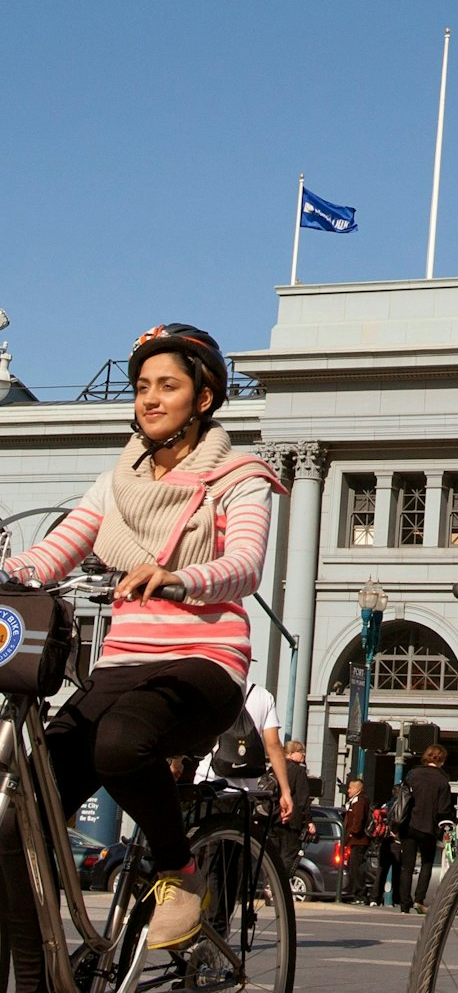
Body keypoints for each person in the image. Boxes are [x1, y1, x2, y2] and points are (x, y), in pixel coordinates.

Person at [0, 323, 285, 986]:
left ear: (204, 397)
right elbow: (52, 554)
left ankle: (177, 869)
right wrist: (14, 574)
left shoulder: (237, 476)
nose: (150, 399)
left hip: (202, 664)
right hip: (121, 669)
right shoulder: (114, 485)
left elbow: (244, 564)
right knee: (17, 824)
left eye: (168, 385)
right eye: (142, 387)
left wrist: (182, 577)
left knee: (119, 745)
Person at [195, 682, 293, 822]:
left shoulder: (213, 688)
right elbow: (273, 745)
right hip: (244, 793)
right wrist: (285, 791)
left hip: (209, 783)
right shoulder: (264, 696)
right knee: (239, 839)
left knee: (202, 838)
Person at [400, 743, 456, 913]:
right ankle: (419, 899)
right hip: (428, 828)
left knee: (407, 866)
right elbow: (443, 809)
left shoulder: (413, 774)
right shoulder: (442, 780)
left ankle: (404, 903)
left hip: (409, 825)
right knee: (427, 863)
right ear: (442, 760)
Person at [276, 739, 314, 875]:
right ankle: (280, 886)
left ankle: (269, 884)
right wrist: (308, 821)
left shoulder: (274, 768)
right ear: (291, 753)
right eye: (300, 751)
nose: (303, 754)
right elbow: (303, 799)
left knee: (274, 855)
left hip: (274, 818)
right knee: (290, 855)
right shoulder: (298, 771)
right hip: (292, 820)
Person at [342, 776, 372, 904]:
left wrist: (351, 833)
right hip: (356, 840)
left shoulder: (359, 801)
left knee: (356, 867)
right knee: (353, 866)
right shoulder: (355, 801)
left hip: (358, 840)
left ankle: (360, 895)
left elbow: (358, 820)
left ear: (356, 788)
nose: (348, 790)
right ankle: (357, 893)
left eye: (350, 788)